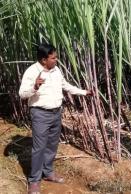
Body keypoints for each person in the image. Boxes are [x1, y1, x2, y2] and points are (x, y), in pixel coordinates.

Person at [19, 43, 93, 194]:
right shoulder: (32, 72)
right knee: (39, 148)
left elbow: (65, 85)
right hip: (40, 113)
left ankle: (48, 172)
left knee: (52, 144)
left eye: (56, 57)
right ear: (43, 59)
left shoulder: (56, 70)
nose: (56, 60)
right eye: (53, 58)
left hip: (56, 113)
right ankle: (34, 180)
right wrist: (35, 87)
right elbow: (22, 94)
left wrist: (84, 92)